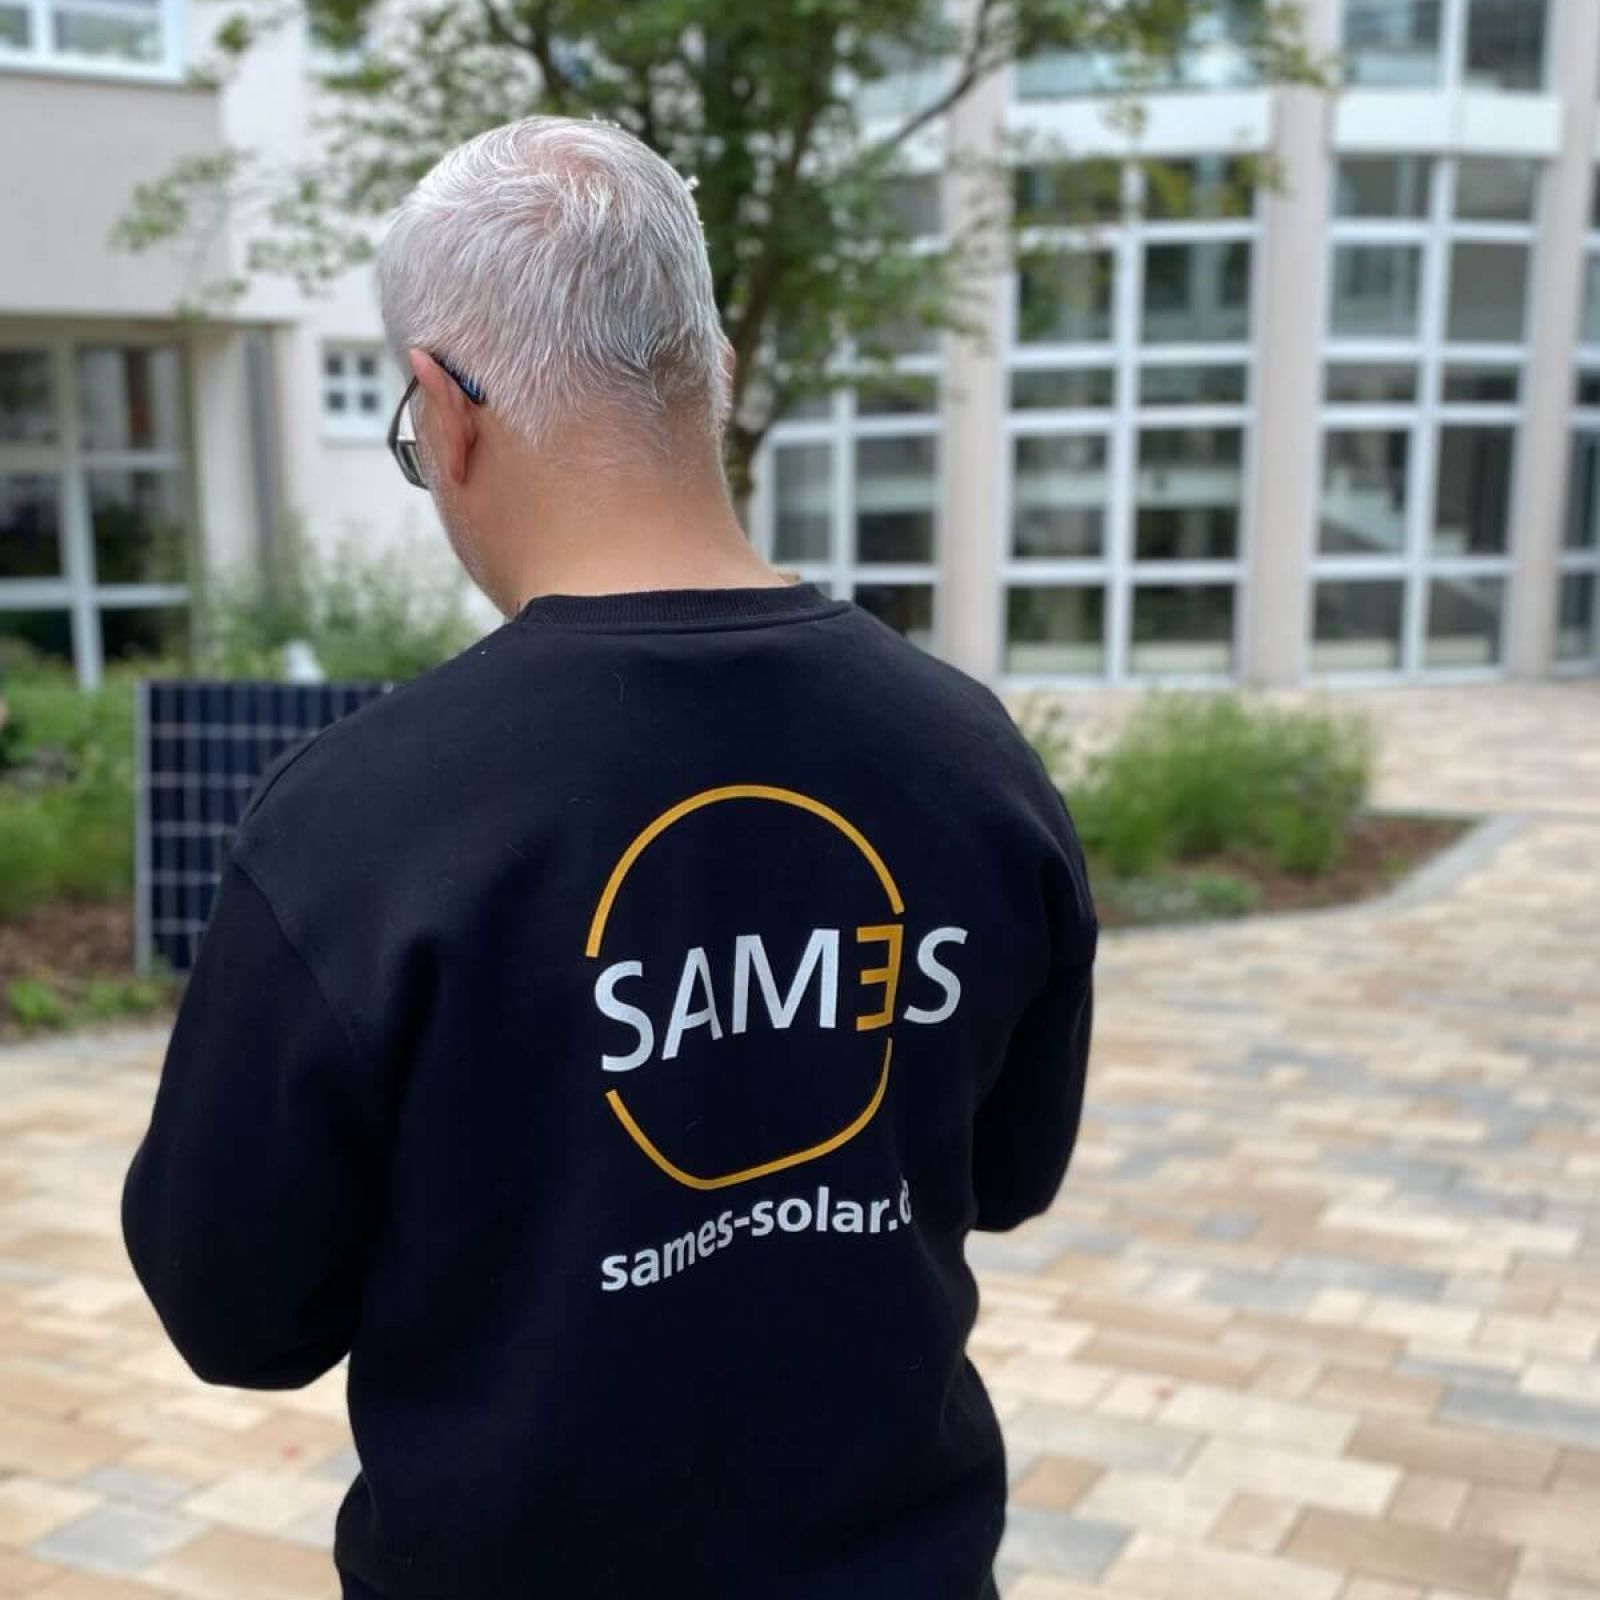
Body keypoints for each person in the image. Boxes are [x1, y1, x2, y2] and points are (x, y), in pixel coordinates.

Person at [121, 116, 1097, 1600]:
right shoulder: (972, 755)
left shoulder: (359, 824)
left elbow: (235, 1311)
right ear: (717, 373)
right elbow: (1011, 1171)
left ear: (444, 411)